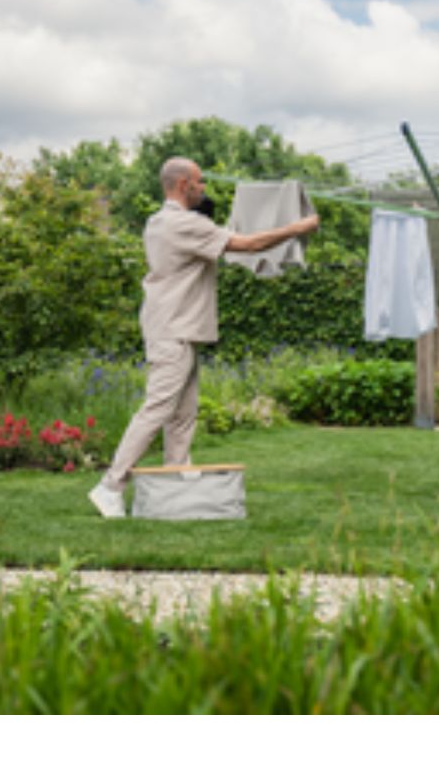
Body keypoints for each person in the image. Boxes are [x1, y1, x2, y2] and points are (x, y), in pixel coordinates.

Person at [89, 157, 319, 519]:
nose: (204, 188)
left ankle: (175, 480)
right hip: (173, 329)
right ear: (184, 184)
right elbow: (248, 245)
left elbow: (218, 235)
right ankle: (110, 485)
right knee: (157, 408)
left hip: (177, 327)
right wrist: (297, 227)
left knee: (183, 414)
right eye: (200, 182)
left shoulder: (160, 221)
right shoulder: (182, 223)